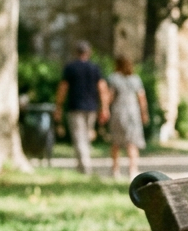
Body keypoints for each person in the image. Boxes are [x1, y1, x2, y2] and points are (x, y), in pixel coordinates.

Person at [54, 41, 108, 175]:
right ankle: (83, 164)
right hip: (91, 107)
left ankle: (85, 166)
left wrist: (58, 107)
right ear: (88, 53)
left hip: (75, 107)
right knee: (86, 136)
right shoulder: (94, 68)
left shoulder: (70, 68)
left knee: (79, 137)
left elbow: (63, 89)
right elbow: (102, 88)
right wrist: (104, 108)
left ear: (76, 52)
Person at [106, 56, 149, 180]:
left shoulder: (114, 78)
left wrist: (104, 108)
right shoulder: (135, 79)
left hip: (118, 112)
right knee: (132, 142)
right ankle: (133, 170)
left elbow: (110, 96)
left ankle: (115, 169)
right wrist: (144, 113)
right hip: (133, 113)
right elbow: (141, 98)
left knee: (116, 142)